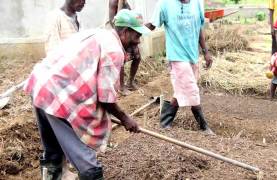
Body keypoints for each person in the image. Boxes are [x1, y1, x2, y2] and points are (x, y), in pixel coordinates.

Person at [24, 9, 150, 179]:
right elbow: (106, 97)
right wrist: (125, 118)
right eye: (137, 36)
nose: (138, 41)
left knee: (53, 154)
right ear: (125, 32)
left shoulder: (97, 34)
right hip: (58, 96)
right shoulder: (114, 50)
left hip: (40, 85)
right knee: (90, 168)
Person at [147, 0, 214, 134]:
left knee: (182, 90)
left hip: (192, 56)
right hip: (176, 56)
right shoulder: (164, 4)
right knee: (191, 90)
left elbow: (199, 28)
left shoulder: (196, 3)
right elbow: (152, 25)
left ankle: (165, 121)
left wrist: (206, 51)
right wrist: (134, 29)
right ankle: (204, 127)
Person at [107, 0, 156, 95]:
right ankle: (121, 86)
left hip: (127, 33)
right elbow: (113, 22)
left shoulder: (125, 3)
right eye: (138, 37)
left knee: (137, 57)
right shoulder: (113, 2)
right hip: (121, 34)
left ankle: (130, 82)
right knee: (120, 60)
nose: (139, 41)